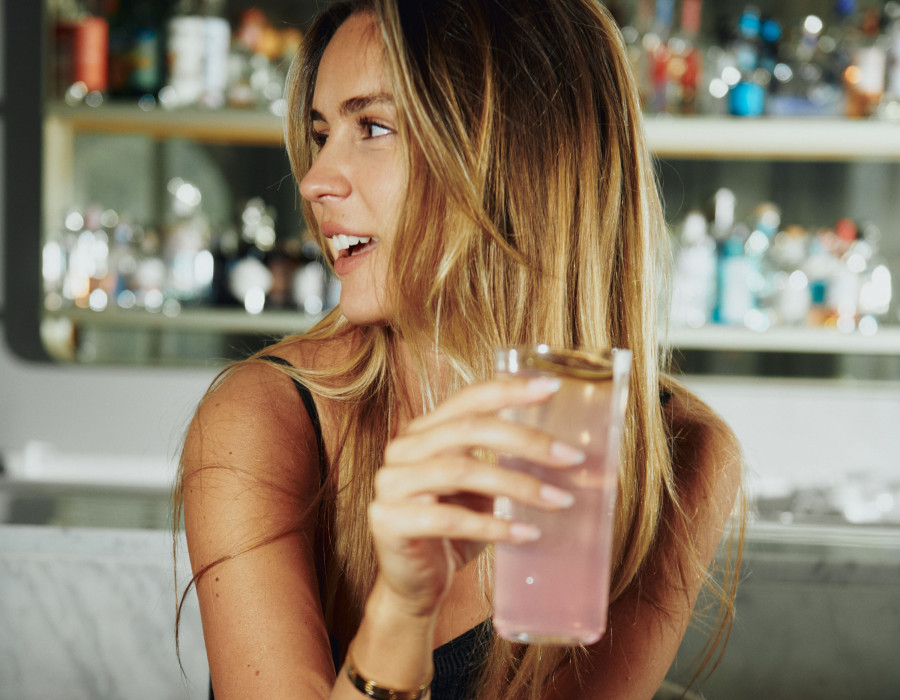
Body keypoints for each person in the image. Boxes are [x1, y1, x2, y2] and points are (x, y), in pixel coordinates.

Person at [174, 1, 744, 698]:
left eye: (374, 127)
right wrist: (398, 614)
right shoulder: (263, 420)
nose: (316, 178)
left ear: (519, 153)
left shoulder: (673, 450)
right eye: (321, 134)